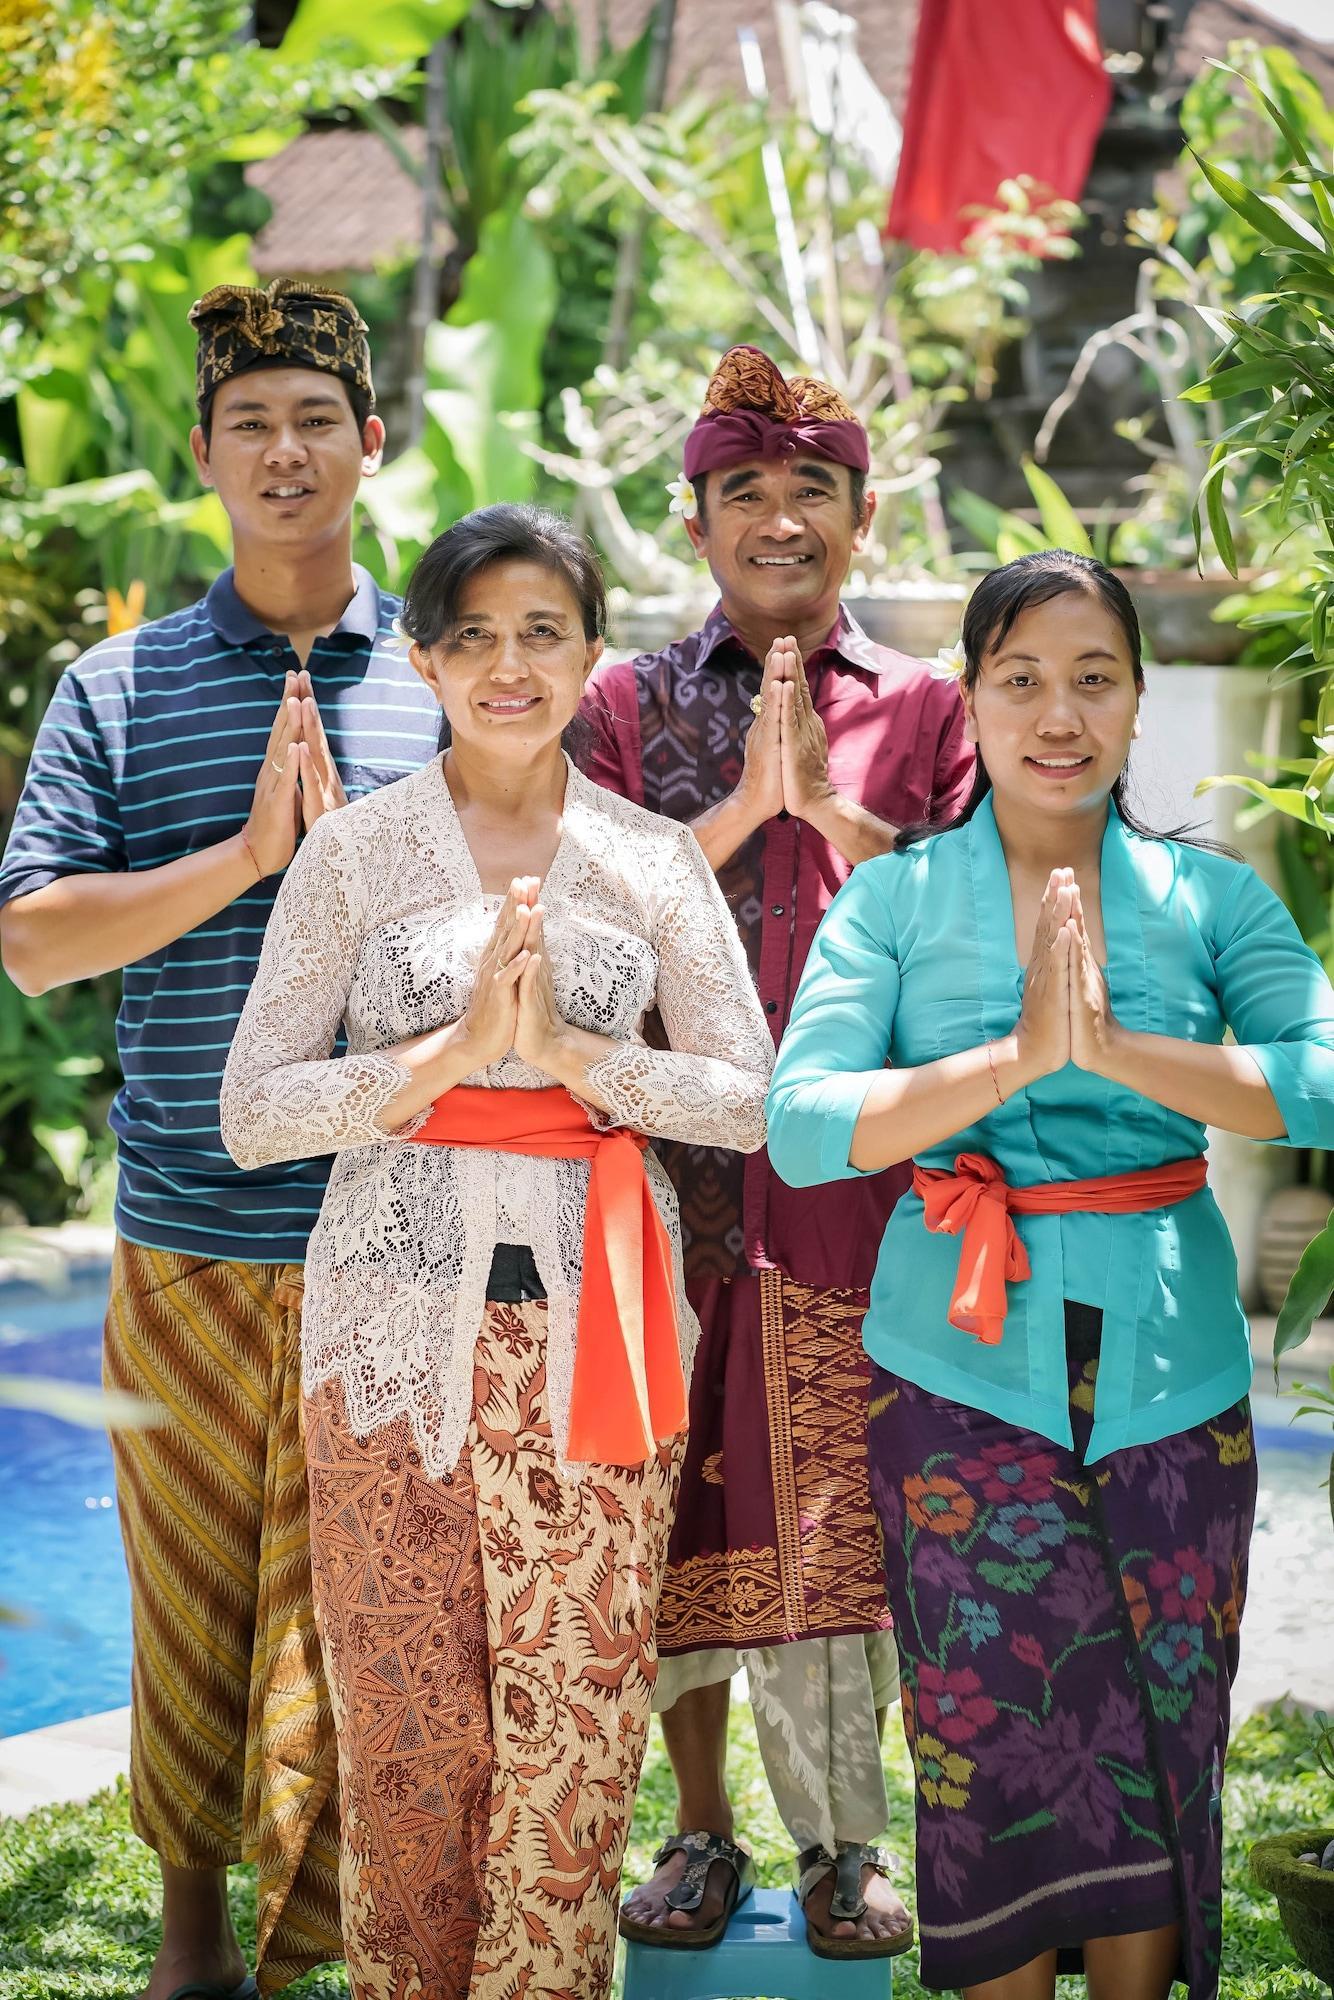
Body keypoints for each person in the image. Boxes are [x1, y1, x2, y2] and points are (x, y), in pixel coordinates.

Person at [218, 503, 775, 2000]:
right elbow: (253, 1110)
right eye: (473, 637)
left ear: (592, 657)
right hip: (387, 1336)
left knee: (577, 1716)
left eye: (543, 634)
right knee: (406, 1719)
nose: (509, 667)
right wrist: (437, 1063)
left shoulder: (652, 859)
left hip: (605, 1331)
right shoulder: (353, 853)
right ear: (423, 659)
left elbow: (745, 1097)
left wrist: (581, 1060)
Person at [766, 549, 1334, 1999]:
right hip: (950, 1377)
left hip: (1173, 1367)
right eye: (1019, 679)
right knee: (991, 1730)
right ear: (969, 700)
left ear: (1140, 700)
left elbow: (1320, 1084)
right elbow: (803, 1122)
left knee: (1158, 1719)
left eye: (1093, 677)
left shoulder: (1210, 897)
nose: (1058, 713)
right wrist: (1011, 1061)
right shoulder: (893, 902)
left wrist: (1115, 1052)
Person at [0, 279, 444, 2000]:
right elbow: (34, 939)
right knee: (186, 1609)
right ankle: (197, 1958)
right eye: (249, 422)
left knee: (368, 1623)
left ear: (368, 444)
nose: (283, 450)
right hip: (185, 1235)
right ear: (203, 452)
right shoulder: (115, 688)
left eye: (314, 419)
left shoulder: (438, 676)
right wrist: (249, 865)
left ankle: (342, 1952)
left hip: (396, 1238)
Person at [580, 343, 974, 1958]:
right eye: (744, 490)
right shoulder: (619, 703)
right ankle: (693, 1831)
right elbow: (581, 916)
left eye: (811, 486)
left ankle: (841, 1845)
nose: (779, 517)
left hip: (854, 1184)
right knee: (673, 1498)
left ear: (861, 516)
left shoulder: (934, 708)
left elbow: (970, 929)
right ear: (697, 523)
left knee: (832, 1499)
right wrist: (746, 810)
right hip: (660, 1174)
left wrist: (840, 815)